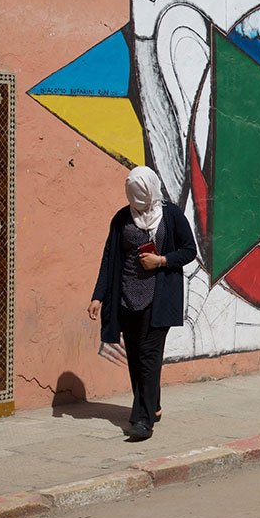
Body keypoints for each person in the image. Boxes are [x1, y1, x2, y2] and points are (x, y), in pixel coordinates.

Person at [87, 166, 196, 441]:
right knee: (135, 359)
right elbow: (109, 258)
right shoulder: (122, 218)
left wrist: (161, 261)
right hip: (126, 299)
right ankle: (153, 406)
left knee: (149, 357)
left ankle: (142, 420)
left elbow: (189, 251)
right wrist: (98, 295)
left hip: (157, 300)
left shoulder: (170, 216)